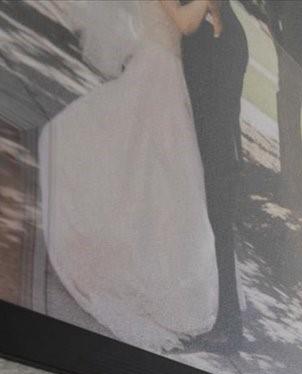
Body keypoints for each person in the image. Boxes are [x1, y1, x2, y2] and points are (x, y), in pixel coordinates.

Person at [39, 0, 219, 353]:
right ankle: (124, 253)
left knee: (155, 173)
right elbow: (184, 23)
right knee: (153, 169)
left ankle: (142, 251)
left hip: (162, 71)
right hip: (158, 71)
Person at [182, 0, 250, 350]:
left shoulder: (230, 34)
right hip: (214, 145)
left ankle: (228, 326)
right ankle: (224, 321)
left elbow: (220, 98)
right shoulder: (214, 29)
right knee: (216, 234)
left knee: (221, 235)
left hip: (220, 150)